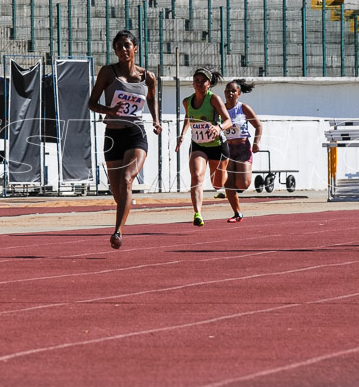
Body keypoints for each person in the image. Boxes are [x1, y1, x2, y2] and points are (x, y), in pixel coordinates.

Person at [87, 30, 162, 249]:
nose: (122, 50)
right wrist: (108, 109)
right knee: (117, 190)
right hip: (113, 135)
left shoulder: (148, 77)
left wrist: (156, 120)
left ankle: (118, 231)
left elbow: (151, 99)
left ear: (135, 48)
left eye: (126, 45)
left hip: (135, 134)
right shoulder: (108, 73)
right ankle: (125, 208)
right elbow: (91, 103)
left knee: (127, 178)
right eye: (118, 47)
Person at [175, 67, 234, 228]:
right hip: (198, 145)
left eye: (203, 81)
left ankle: (226, 173)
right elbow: (189, 118)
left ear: (209, 84)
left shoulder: (213, 99)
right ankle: (197, 213)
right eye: (196, 81)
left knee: (217, 184)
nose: (199, 84)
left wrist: (219, 128)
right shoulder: (187, 101)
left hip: (217, 145)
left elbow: (229, 121)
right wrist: (182, 135)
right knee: (196, 177)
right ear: (193, 83)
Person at [220, 79, 263, 223]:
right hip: (227, 149)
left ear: (239, 93)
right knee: (228, 183)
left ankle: (237, 191)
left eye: (233, 91)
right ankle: (237, 213)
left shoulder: (243, 108)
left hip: (243, 148)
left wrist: (256, 143)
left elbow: (258, 126)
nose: (230, 93)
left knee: (243, 184)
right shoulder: (220, 108)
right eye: (227, 90)